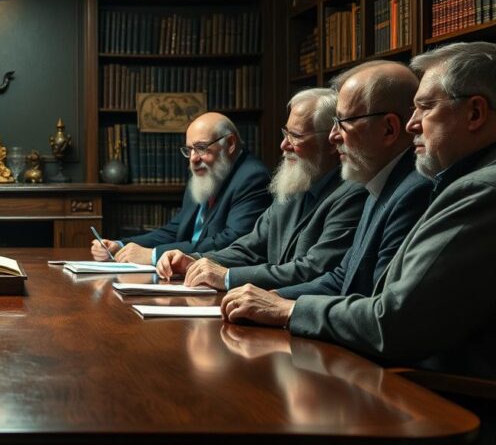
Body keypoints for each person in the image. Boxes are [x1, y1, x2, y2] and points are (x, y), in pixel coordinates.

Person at [221, 41, 496, 381]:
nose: (414, 124)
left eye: (425, 108)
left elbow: (391, 322)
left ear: (475, 113)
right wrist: (272, 300)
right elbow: (346, 276)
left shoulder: (476, 189)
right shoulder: (391, 182)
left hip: (440, 397)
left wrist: (289, 309)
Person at [156, 88, 366, 291]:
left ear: (331, 140)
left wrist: (227, 277)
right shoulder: (295, 184)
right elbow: (250, 247)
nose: (284, 144)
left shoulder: (351, 193)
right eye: (285, 133)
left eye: (296, 136)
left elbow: (313, 270)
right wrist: (195, 260)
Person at [271, 61, 431, 299]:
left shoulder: (414, 192)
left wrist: (286, 309)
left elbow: (379, 307)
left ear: (389, 129)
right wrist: (274, 296)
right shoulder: (378, 182)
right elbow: (341, 278)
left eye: (342, 122)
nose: (333, 136)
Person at [91, 112, 271, 264]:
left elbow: (232, 242)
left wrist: (153, 255)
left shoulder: (252, 177)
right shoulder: (207, 174)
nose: (193, 158)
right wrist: (121, 246)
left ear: (230, 144)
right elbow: (175, 230)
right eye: (189, 150)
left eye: (201, 148)